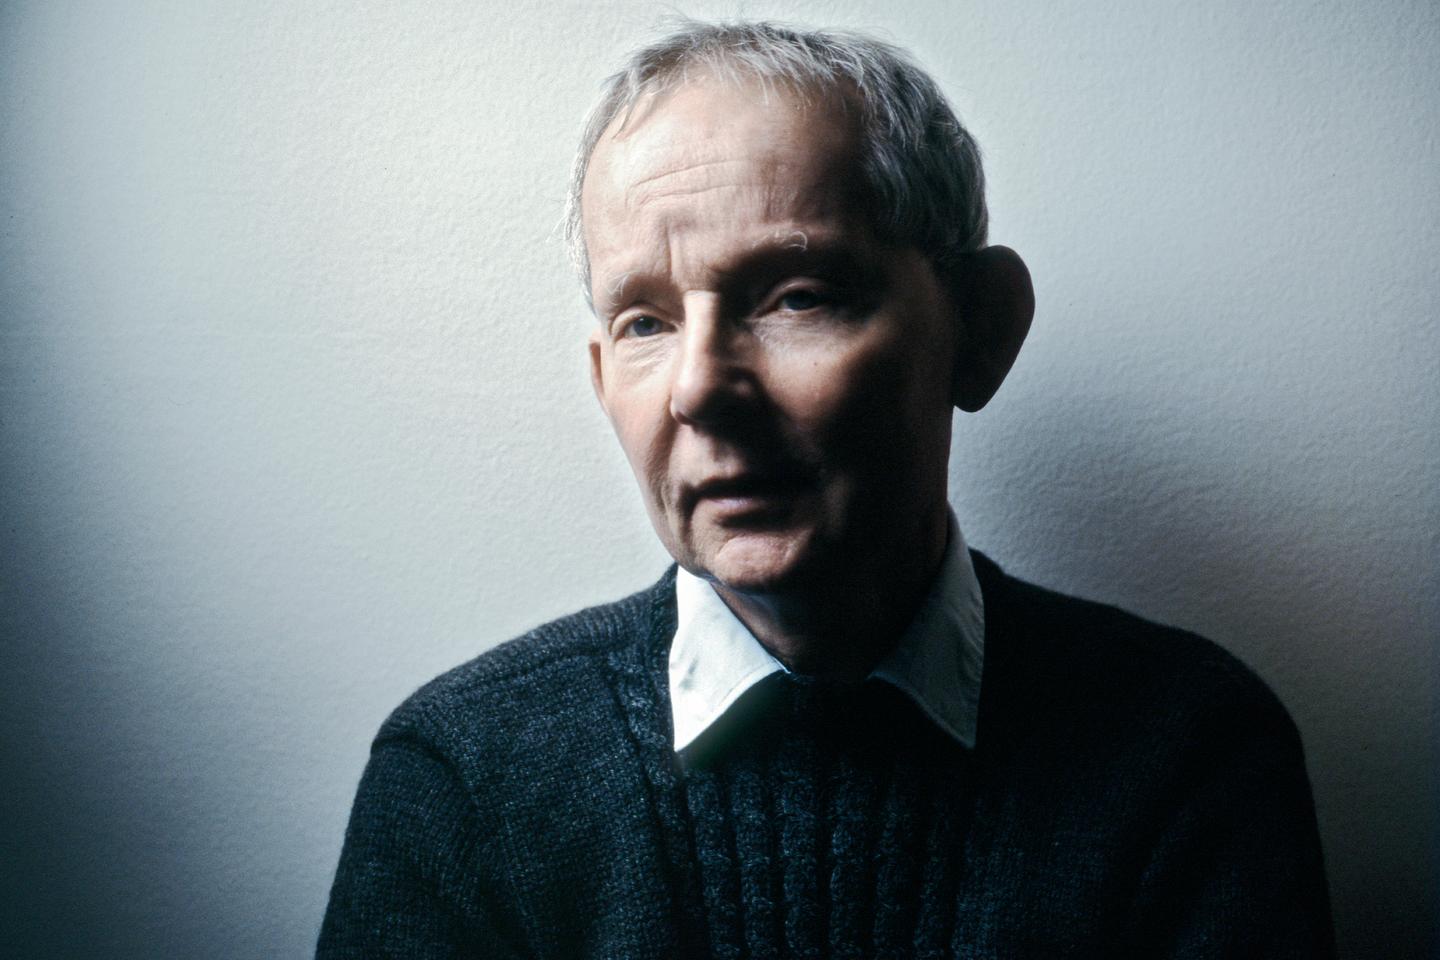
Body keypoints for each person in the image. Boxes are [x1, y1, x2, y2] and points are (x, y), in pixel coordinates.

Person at [318, 21, 1334, 958]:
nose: (698, 388)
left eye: (798, 297)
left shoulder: (1187, 754)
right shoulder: (463, 780)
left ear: (980, 330)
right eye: (645, 323)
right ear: (601, 379)